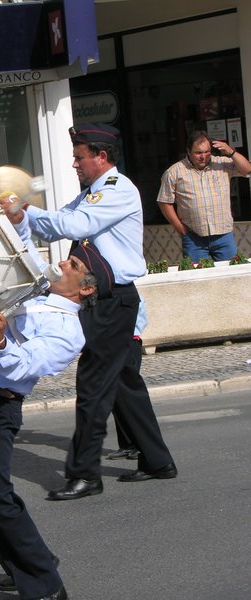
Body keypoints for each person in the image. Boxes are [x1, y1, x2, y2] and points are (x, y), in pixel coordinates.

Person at [0, 212, 114, 600]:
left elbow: (26, 365)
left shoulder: (67, 331)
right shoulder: (39, 294)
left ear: (86, 289)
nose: (61, 263)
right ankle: (24, 563)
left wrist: (1, 340)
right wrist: (17, 216)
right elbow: (18, 251)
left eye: (72, 265)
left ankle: (46, 586)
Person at [20, 122, 176, 500]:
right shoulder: (93, 192)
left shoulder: (116, 190)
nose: (75, 164)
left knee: (92, 387)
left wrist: (25, 211)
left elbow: (72, 224)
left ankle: (86, 474)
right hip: (104, 299)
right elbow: (58, 223)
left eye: (79, 157)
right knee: (124, 383)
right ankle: (157, 461)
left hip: (111, 301)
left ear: (101, 157)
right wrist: (24, 214)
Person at [156, 130, 251, 262]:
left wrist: (232, 152)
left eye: (207, 152)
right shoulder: (174, 172)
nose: (203, 156)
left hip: (223, 235)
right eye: (198, 153)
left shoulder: (221, 164)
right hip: (194, 238)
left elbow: (247, 170)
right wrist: (181, 229)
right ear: (188, 151)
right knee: (197, 278)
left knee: (231, 275)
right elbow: (164, 201)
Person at [106, 299, 147, 461]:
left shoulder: (129, 293)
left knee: (129, 398)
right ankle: (127, 443)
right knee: (116, 397)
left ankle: (139, 444)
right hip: (114, 345)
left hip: (128, 342)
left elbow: (139, 318)